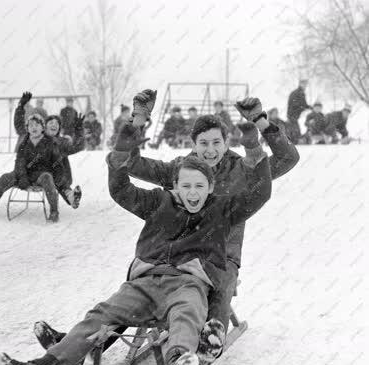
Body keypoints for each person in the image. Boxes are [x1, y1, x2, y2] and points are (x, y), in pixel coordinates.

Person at [0, 133, 272, 365]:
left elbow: (259, 195)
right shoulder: (157, 202)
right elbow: (121, 190)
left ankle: (178, 363)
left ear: (210, 188)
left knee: (187, 315)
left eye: (200, 186)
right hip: (143, 283)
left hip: (188, 283)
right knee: (100, 315)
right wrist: (120, 154)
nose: (193, 192)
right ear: (174, 185)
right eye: (186, 186)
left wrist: (254, 149)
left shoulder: (219, 209)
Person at [110, 90, 299, 335]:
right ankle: (95, 337)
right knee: (140, 289)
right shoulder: (181, 169)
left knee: (222, 283)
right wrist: (137, 120)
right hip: (179, 250)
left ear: (227, 142)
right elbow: (132, 164)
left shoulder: (243, 168)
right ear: (193, 144)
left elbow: (288, 157)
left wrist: (260, 120)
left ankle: (214, 333)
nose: (210, 150)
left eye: (216, 143)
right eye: (203, 143)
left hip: (222, 252)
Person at [0, 112, 62, 222]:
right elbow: (19, 162)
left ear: (43, 127)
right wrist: (22, 177)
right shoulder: (24, 144)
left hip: (41, 174)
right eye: (31, 125)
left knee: (47, 177)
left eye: (37, 125)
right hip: (23, 173)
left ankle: (54, 212)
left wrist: (58, 178)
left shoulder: (50, 143)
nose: (34, 128)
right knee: (5, 177)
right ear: (27, 129)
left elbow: (57, 163)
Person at [7, 92, 84, 210]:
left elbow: (78, 147)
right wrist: (21, 107)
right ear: (44, 126)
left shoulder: (60, 142)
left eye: (57, 124)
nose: (54, 125)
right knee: (11, 176)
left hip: (55, 176)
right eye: (51, 123)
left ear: (59, 128)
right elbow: (19, 126)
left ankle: (71, 196)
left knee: (57, 180)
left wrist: (79, 131)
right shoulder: (34, 136)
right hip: (31, 174)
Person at [287, 79, 311, 143]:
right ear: (300, 84)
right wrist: (303, 107)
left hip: (295, 115)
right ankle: (296, 141)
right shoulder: (297, 92)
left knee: (295, 129)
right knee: (295, 130)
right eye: (303, 83)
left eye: (306, 84)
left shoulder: (301, 92)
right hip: (292, 114)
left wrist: (310, 107)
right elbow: (295, 104)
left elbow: (304, 104)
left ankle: (297, 140)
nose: (305, 85)